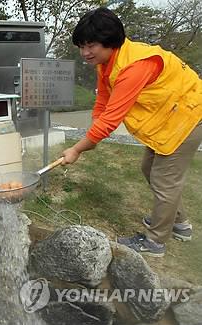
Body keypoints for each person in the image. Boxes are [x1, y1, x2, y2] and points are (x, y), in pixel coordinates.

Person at [61, 7, 202, 257]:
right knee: (149, 169)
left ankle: (155, 242)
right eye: (81, 46)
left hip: (187, 116)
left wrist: (77, 148)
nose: (84, 53)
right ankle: (179, 224)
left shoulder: (135, 66)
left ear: (109, 41)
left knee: (165, 180)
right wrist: (94, 129)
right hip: (167, 118)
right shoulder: (107, 63)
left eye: (90, 45)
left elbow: (111, 118)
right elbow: (103, 100)